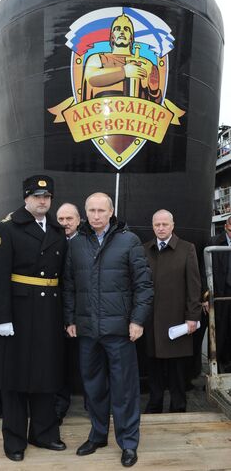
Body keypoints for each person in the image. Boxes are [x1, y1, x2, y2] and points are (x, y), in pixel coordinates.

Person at [63, 192, 153, 468]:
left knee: (124, 389)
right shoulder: (76, 244)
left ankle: (128, 443)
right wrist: (70, 319)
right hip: (88, 331)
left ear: (111, 212)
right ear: (85, 213)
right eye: (91, 210)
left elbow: (144, 285)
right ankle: (98, 435)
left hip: (120, 331)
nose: (96, 215)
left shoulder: (129, 241)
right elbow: (68, 285)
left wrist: (137, 320)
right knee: (93, 387)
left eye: (101, 210)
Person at [0, 175, 67, 462]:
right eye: (36, 197)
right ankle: (15, 439)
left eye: (46, 197)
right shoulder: (6, 229)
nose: (42, 201)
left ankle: (44, 433)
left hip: (49, 313)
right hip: (17, 314)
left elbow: (64, 277)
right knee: (15, 378)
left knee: (46, 374)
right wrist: (0, 318)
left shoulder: (57, 231)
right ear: (26, 198)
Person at [143, 209, 202, 413]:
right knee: (154, 365)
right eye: (157, 224)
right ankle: (155, 402)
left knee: (177, 368)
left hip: (177, 320)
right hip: (151, 320)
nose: (160, 228)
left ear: (172, 225)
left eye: (164, 224)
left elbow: (194, 287)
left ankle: (178, 405)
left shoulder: (187, 249)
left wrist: (192, 317)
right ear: (152, 226)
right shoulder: (145, 249)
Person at [82, 13, 162, 103]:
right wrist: (124, 72)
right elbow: (91, 79)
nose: (122, 32)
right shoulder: (98, 58)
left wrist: (154, 91)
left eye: (126, 29)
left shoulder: (146, 64)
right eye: (117, 29)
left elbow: (154, 105)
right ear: (112, 37)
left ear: (131, 38)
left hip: (136, 116)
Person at [55, 203, 81, 423]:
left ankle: (95, 406)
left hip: (83, 312)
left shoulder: (85, 243)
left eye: (69, 219)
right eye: (61, 219)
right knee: (58, 362)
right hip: (56, 311)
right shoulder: (52, 241)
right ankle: (59, 406)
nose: (65, 223)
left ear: (78, 220)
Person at [211, 216, 231, 372]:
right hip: (220, 293)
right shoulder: (213, 243)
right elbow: (205, 269)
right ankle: (219, 369)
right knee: (220, 330)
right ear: (226, 226)